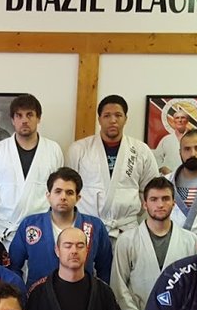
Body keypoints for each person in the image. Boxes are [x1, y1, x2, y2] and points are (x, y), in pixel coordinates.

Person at [110, 177, 197, 310]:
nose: (160, 204)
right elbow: (118, 286)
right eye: (154, 199)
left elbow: (195, 287)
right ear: (145, 204)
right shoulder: (127, 240)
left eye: (165, 199)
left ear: (174, 203)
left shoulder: (190, 240)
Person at [67, 95, 158, 237]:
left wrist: (134, 212)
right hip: (88, 227)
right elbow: (68, 188)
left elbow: (151, 190)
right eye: (107, 115)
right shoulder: (79, 149)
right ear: (99, 119)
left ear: (126, 119)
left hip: (126, 227)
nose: (113, 120)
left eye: (118, 115)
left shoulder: (141, 150)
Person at [8, 167, 112, 287]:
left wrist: (99, 294)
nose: (63, 197)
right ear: (48, 196)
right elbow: (14, 266)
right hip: (38, 294)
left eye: (69, 193)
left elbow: (105, 268)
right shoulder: (30, 225)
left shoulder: (95, 226)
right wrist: (20, 293)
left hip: (83, 293)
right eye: (58, 191)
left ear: (78, 198)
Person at [0, 94, 65, 245]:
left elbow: (58, 191)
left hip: (41, 228)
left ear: (38, 118)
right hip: (5, 228)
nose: (24, 120)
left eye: (30, 115)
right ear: (12, 120)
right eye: (19, 115)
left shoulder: (53, 150)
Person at [153, 103, 194, 175]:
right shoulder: (166, 140)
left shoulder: (193, 139)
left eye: (183, 118)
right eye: (177, 118)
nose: (180, 120)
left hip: (189, 176)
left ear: (187, 121)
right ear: (174, 121)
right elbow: (157, 158)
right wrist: (163, 168)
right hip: (168, 178)